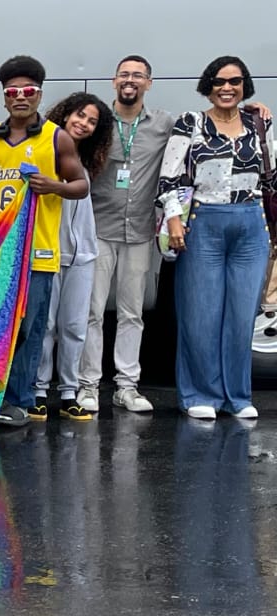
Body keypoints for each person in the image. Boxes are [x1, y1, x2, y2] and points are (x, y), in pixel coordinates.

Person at [0, 55, 90, 427]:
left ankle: (20, 402)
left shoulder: (57, 137)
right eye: (13, 92)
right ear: (4, 96)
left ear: (39, 95)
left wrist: (54, 186)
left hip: (36, 252)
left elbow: (81, 185)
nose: (20, 97)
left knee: (28, 329)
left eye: (28, 91)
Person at [158, 56, 275, 420]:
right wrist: (174, 221)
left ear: (245, 86)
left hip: (251, 224)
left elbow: (271, 179)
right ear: (208, 86)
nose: (227, 88)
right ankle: (200, 394)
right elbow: (169, 177)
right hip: (203, 221)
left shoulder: (259, 123)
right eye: (219, 81)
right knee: (201, 313)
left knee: (242, 316)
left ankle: (237, 397)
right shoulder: (190, 122)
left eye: (235, 81)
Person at [76, 56, 175, 414]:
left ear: (149, 83)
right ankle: (88, 385)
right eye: (124, 75)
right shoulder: (99, 122)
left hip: (140, 231)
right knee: (91, 311)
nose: (130, 80)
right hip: (98, 229)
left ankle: (126, 386)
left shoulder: (164, 124)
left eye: (138, 75)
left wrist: (253, 110)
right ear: (114, 81)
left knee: (132, 313)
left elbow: (205, 128)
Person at [34, 93, 114, 422]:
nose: (84, 123)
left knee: (75, 326)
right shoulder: (46, 149)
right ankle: (38, 391)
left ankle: (69, 393)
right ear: (66, 114)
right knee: (45, 325)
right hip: (49, 250)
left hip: (83, 254)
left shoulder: (87, 158)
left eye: (92, 121)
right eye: (80, 115)